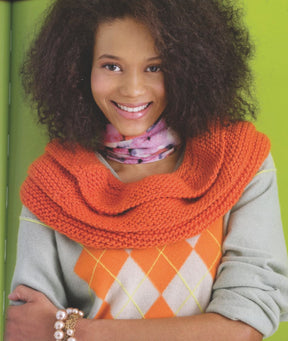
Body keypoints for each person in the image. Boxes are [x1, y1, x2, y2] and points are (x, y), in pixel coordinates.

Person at [4, 0, 288, 340]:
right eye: (111, 66)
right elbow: (28, 329)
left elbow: (245, 326)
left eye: (154, 67)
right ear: (79, 66)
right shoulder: (53, 186)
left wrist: (84, 332)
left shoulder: (238, 164)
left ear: (188, 67)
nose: (133, 89)